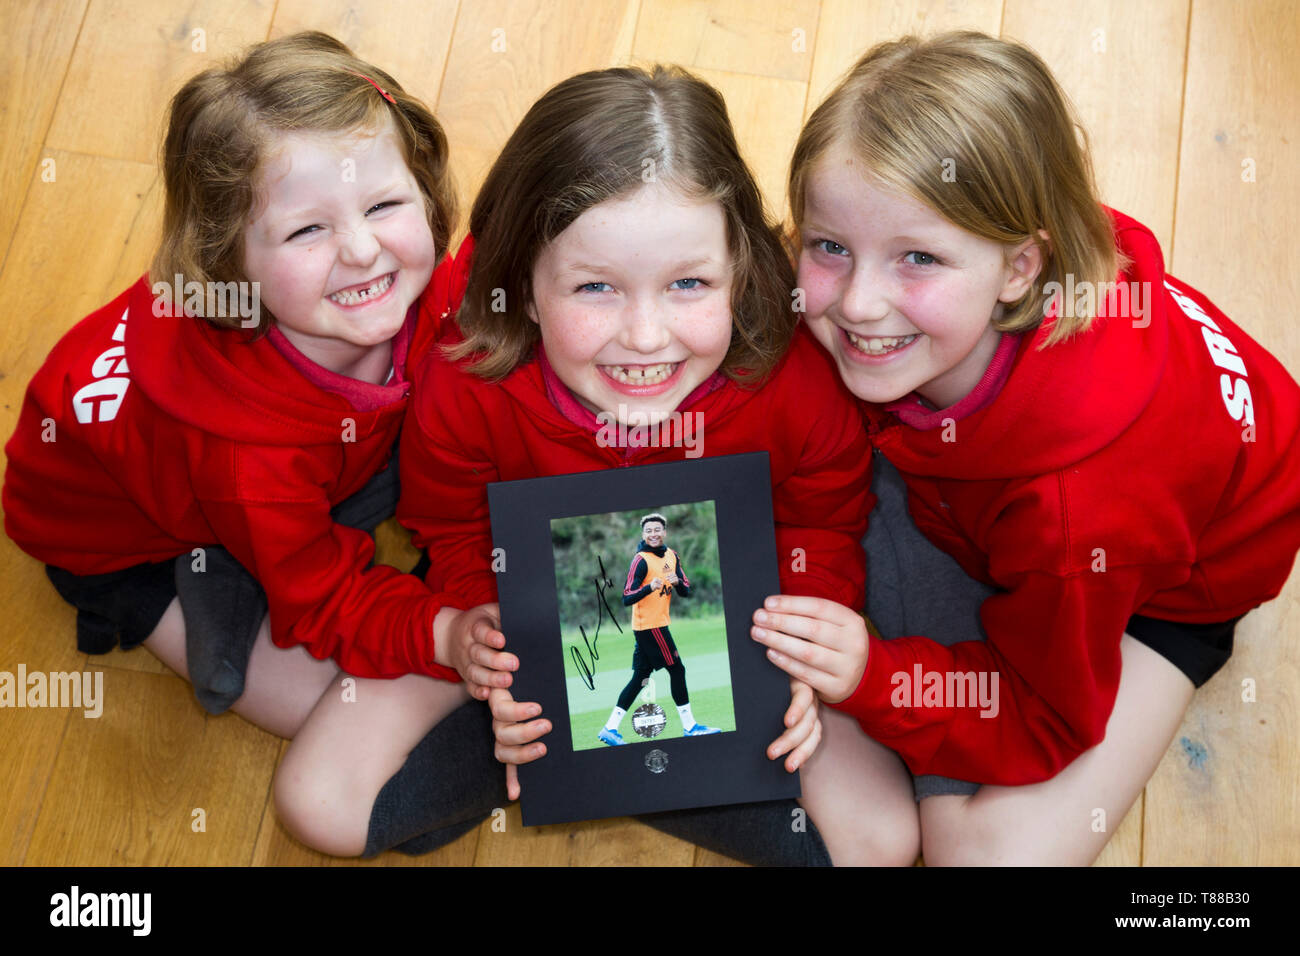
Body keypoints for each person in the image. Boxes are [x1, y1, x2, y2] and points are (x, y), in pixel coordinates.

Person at [752, 30, 1300, 864]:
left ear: (1019, 268)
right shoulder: (986, 266)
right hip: (993, 486)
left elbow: (1044, 714)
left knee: (978, 856)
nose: (859, 303)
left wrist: (876, 677)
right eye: (831, 246)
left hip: (1159, 585)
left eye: (917, 259)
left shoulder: (1073, 517)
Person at [2, 31, 506, 859]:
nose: (362, 250)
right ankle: (208, 588)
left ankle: (254, 565)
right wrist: (442, 634)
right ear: (227, 261)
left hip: (295, 469)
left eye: (385, 206)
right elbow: (327, 605)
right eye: (307, 232)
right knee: (324, 702)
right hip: (121, 537)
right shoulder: (249, 459)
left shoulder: (402, 293)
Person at [398, 65, 917, 866]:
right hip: (554, 638)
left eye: (688, 284)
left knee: (881, 842)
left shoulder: (797, 379)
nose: (645, 338)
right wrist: (484, 636)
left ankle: (632, 776)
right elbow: (453, 526)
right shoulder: (469, 377)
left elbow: (823, 521)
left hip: (739, 635)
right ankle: (597, 767)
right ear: (526, 291)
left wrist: (800, 656)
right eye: (595, 287)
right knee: (322, 804)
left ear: (741, 270)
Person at [599, 512, 720, 745]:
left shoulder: (672, 555)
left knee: (641, 677)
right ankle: (690, 727)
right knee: (677, 670)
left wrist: (678, 583)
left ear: (664, 532)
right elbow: (626, 597)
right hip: (650, 627)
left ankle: (610, 728)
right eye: (648, 531)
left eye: (657, 530)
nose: (653, 534)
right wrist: (648, 588)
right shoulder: (641, 560)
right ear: (643, 534)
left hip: (656, 625)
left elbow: (685, 590)